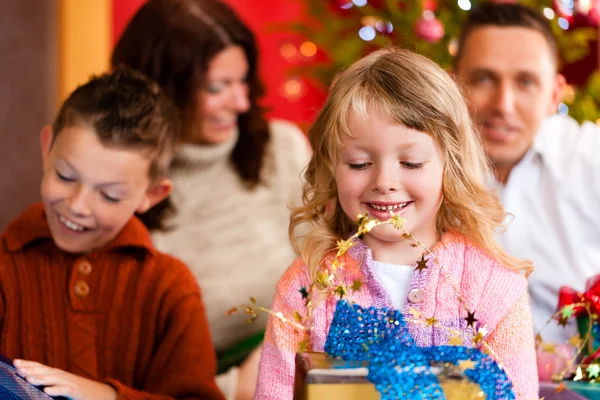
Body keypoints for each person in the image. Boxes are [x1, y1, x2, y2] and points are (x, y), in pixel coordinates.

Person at [255, 48, 538, 400]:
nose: (384, 181)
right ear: (333, 168)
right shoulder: (306, 287)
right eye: (359, 163)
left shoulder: (494, 288)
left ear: (449, 165)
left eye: (412, 162)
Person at [111, 1, 310, 399]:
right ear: (164, 90)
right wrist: (236, 386)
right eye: (217, 87)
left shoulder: (282, 150)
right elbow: (130, 367)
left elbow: (336, 273)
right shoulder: (121, 190)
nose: (240, 102)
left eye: (243, 81)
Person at [0, 68, 224, 400]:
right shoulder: (5, 269)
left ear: (152, 195)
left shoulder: (170, 288)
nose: (77, 205)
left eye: (109, 195)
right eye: (65, 176)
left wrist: (108, 396)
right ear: (47, 147)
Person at [454, 2, 600, 345]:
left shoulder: (590, 160)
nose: (503, 104)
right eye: (483, 78)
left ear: (554, 94)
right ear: (452, 84)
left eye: (526, 82)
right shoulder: (409, 168)